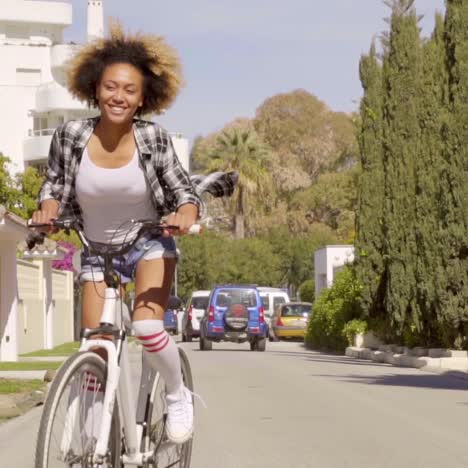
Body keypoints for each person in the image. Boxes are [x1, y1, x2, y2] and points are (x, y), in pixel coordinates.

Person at [31, 22, 233, 444]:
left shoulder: (153, 139)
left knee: (145, 328)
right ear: (94, 89)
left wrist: (185, 213)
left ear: (143, 98)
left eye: (128, 90)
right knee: (96, 346)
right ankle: (93, 432)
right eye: (110, 87)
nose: (118, 97)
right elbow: (53, 186)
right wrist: (47, 210)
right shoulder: (70, 136)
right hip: (96, 250)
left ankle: (178, 395)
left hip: (149, 244)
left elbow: (182, 190)